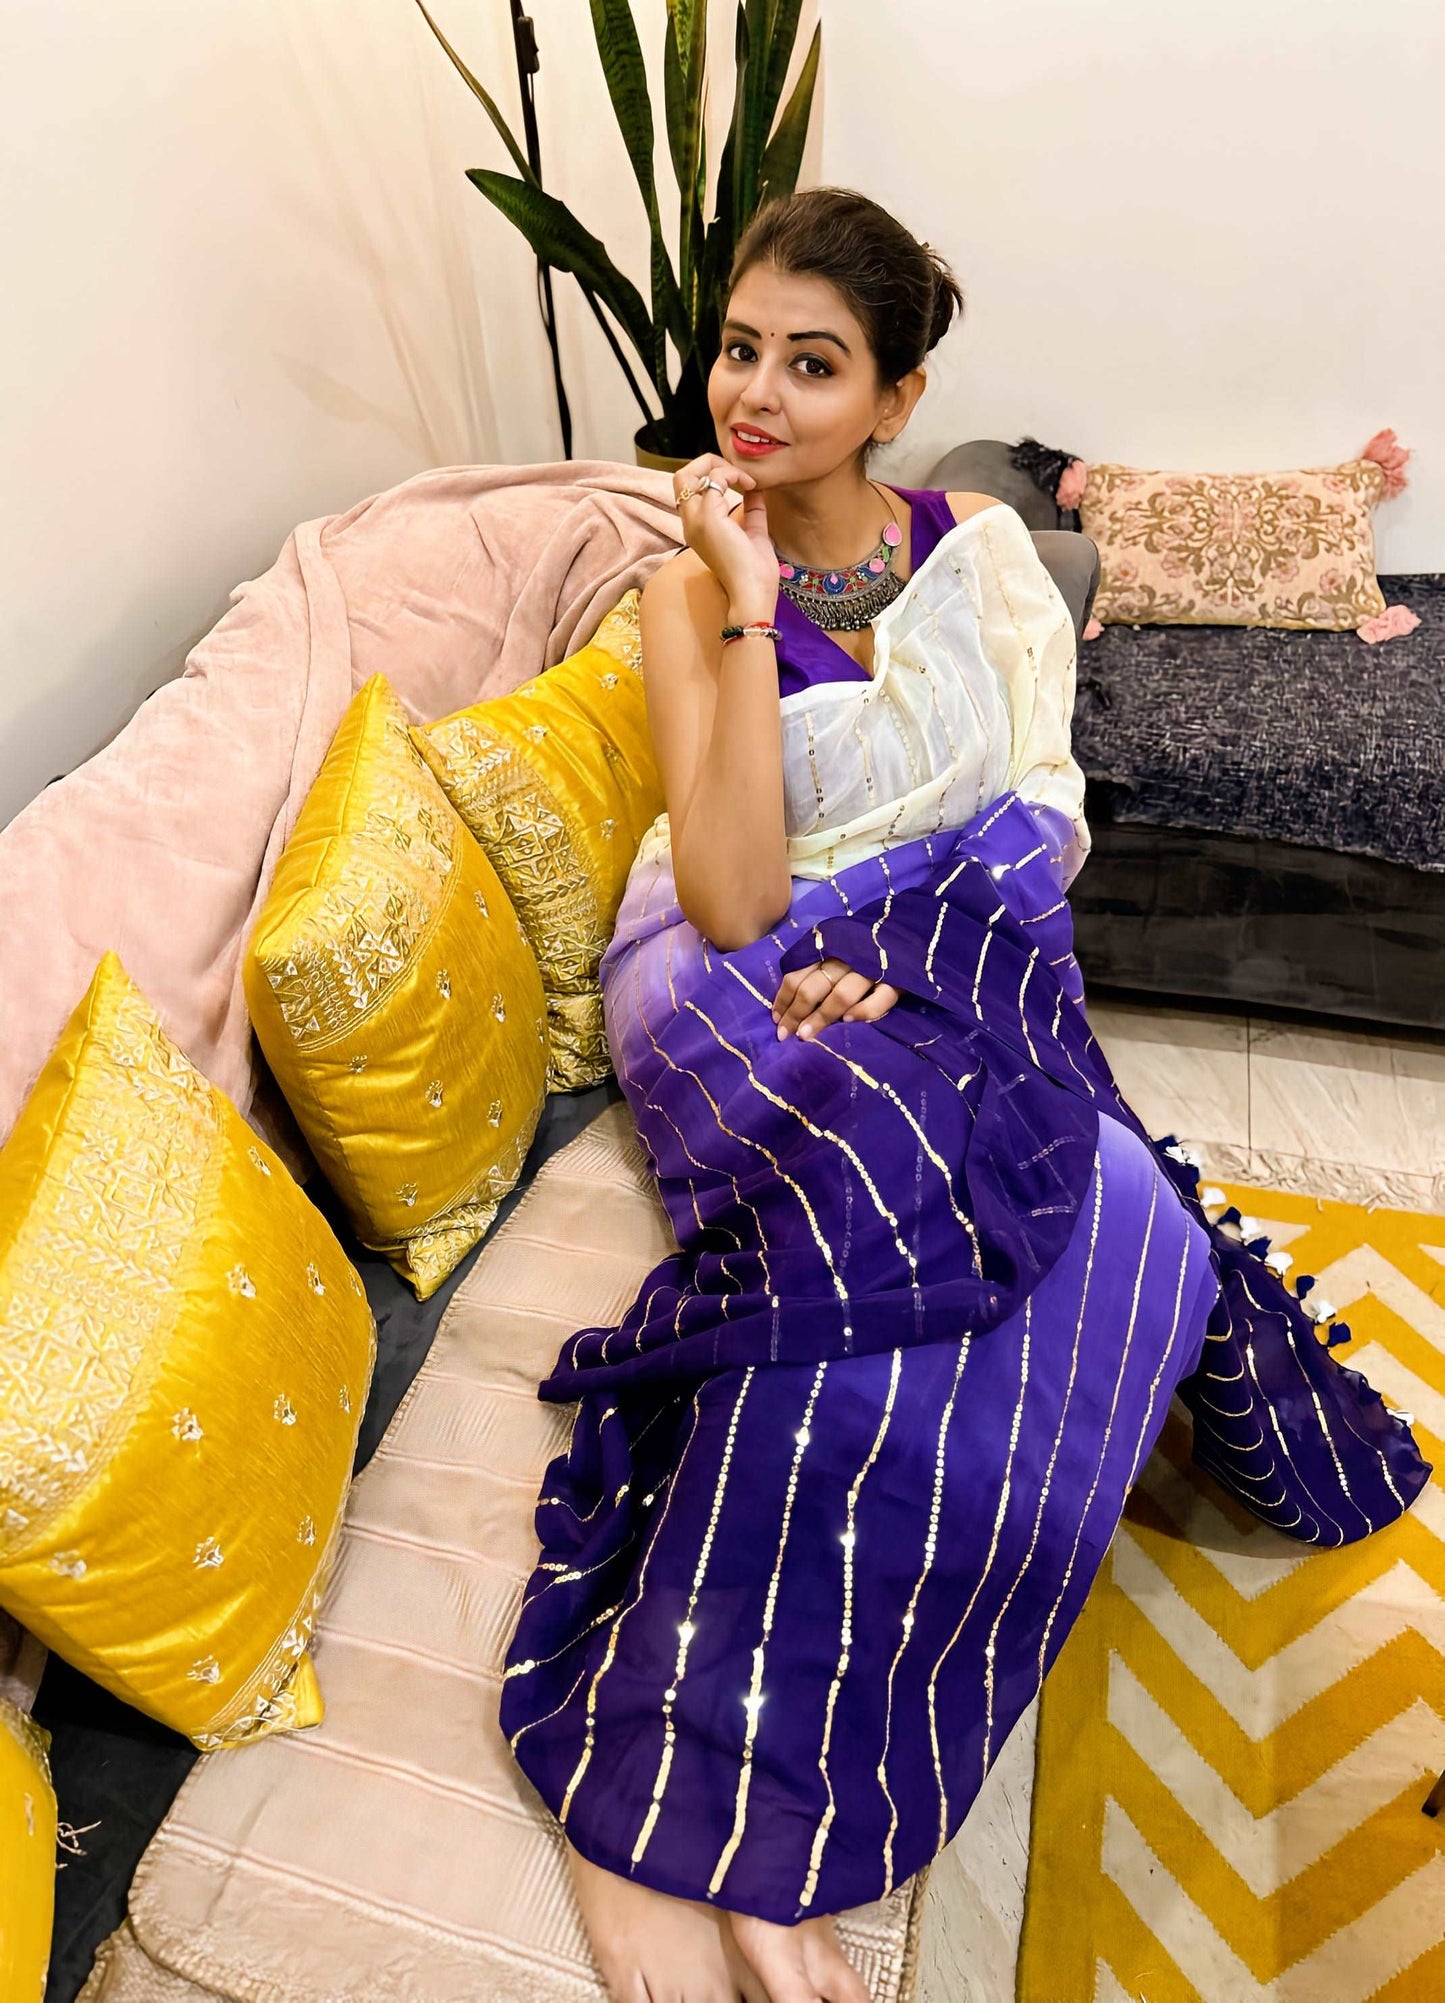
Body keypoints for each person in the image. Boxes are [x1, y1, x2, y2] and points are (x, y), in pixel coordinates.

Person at [499, 188, 1432, 2003]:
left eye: (812, 363)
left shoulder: (983, 553)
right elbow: (734, 893)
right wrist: (755, 614)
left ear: (898, 396)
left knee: (1129, 1244)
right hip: (723, 969)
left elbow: (1043, 806)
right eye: (739, 347)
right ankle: (681, 1786)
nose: (753, 396)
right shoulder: (689, 585)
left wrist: (918, 947)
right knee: (883, 1177)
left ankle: (810, 1808)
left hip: (946, 946)